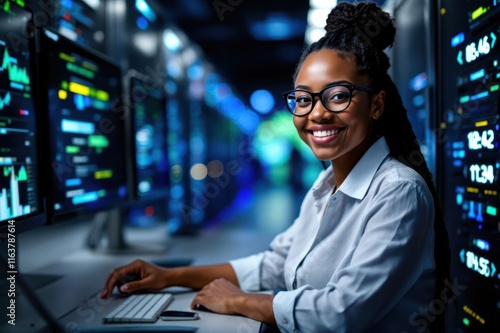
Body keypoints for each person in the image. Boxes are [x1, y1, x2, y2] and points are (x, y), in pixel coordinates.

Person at [101, 2, 452, 332]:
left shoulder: (399, 191)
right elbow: (273, 265)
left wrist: (240, 301)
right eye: (303, 99)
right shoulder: (326, 185)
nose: (317, 113)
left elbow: (341, 313)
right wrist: (168, 275)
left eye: (339, 95)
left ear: (376, 105)